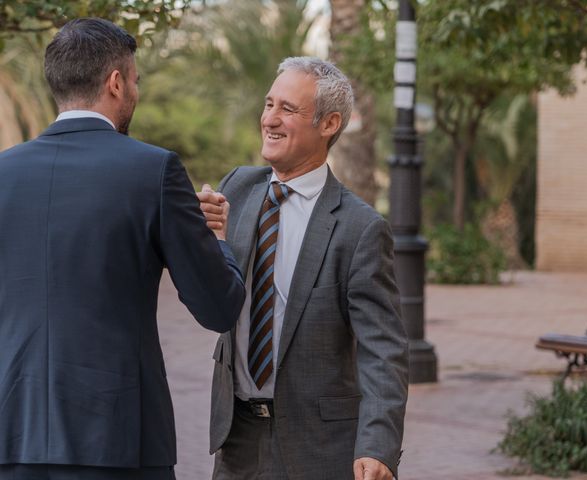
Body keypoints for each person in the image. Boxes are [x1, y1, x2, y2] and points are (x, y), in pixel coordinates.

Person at [0, 18, 245, 480]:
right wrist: (215, 238)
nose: (136, 91)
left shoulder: (3, 173)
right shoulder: (153, 170)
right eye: (135, 81)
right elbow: (219, 307)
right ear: (115, 83)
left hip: (12, 434)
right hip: (118, 440)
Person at [204, 57, 409, 480]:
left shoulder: (360, 228)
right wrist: (203, 241)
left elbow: (382, 349)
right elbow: (215, 300)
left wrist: (377, 445)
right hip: (236, 436)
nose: (270, 119)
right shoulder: (237, 190)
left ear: (329, 123)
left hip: (317, 446)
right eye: (268, 104)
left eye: (287, 109)